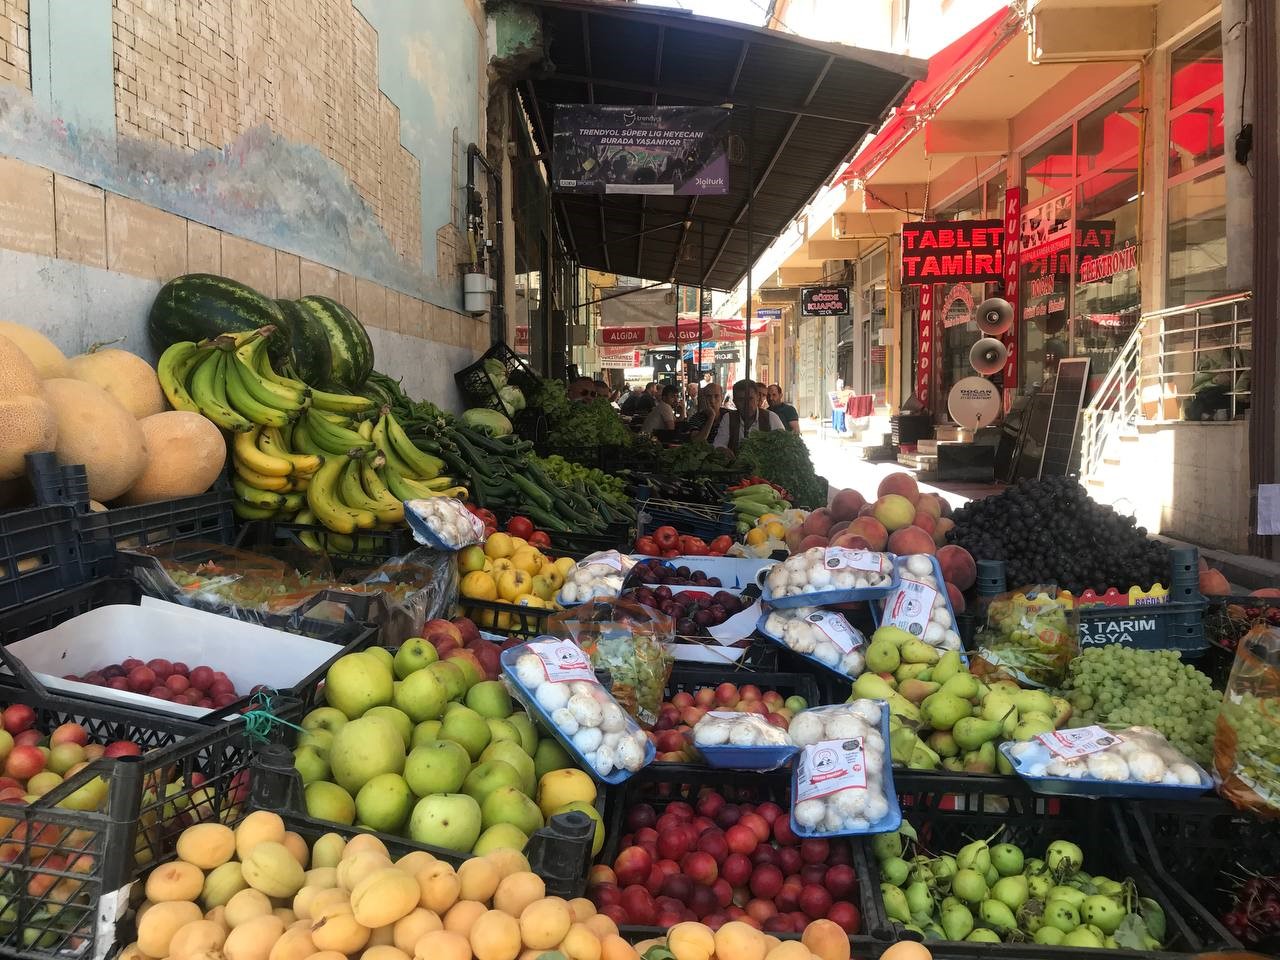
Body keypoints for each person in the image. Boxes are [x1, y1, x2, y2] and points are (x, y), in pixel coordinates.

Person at [711, 379, 784, 451]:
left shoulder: (771, 418)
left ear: (757, 398)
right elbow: (718, 444)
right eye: (741, 400)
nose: (746, 404)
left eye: (750, 399)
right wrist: (723, 450)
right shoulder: (728, 418)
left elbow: (784, 444)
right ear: (734, 402)